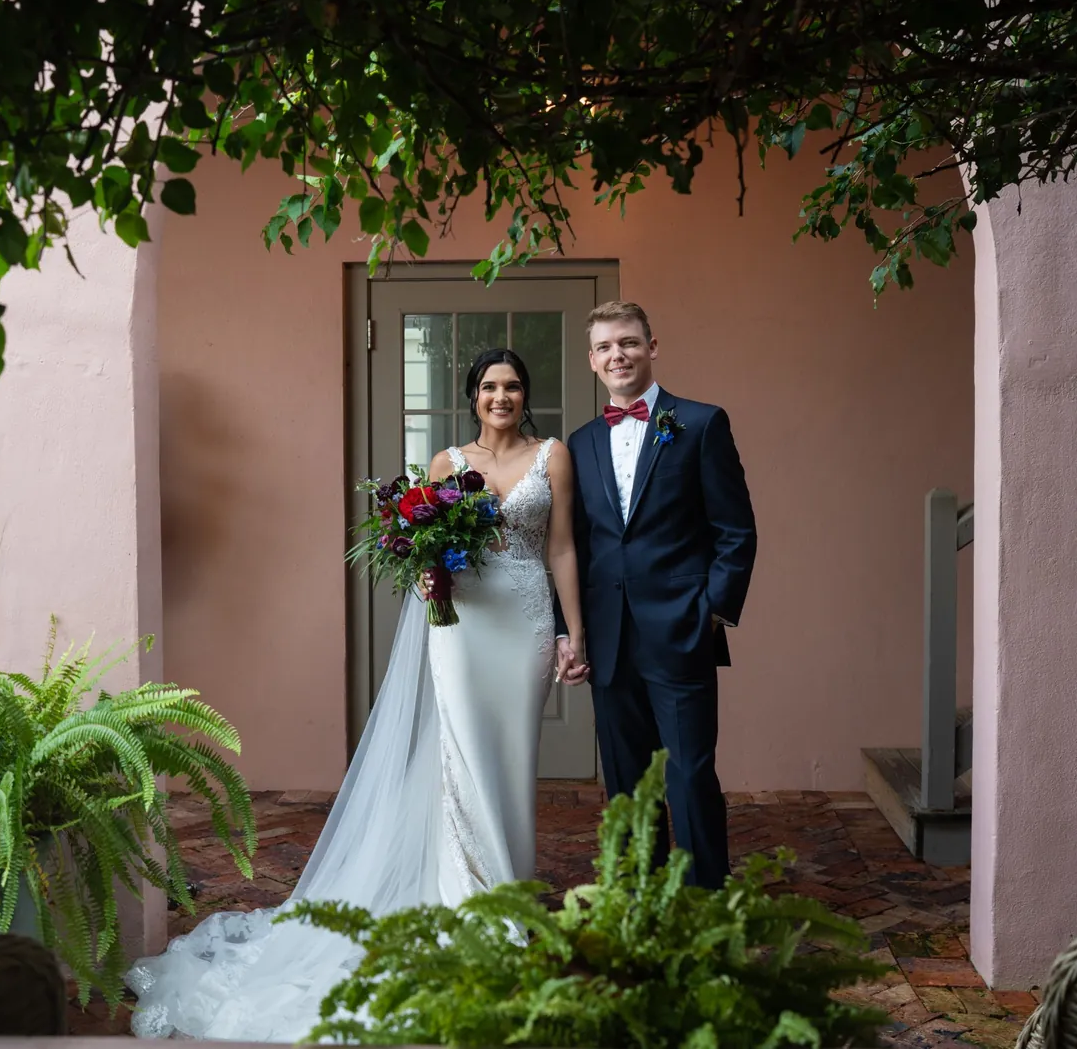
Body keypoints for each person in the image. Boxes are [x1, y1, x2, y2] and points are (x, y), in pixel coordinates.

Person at [123, 348, 584, 1041]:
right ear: (472, 395)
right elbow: (427, 551)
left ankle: (507, 894)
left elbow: (562, 549)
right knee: (461, 755)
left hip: (523, 621)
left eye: (513, 386)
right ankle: (471, 909)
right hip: (460, 626)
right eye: (489, 386)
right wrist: (429, 577)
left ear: (527, 394)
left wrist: (573, 632)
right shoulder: (447, 465)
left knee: (513, 761)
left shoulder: (553, 457)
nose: (501, 396)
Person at [555, 300, 757, 890]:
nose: (618, 355)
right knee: (625, 779)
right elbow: (575, 545)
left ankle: (701, 904)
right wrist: (574, 629)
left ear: (652, 347)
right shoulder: (581, 441)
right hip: (610, 637)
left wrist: (713, 612)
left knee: (690, 774)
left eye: (629, 343)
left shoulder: (700, 423)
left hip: (682, 630)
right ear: (592, 360)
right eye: (605, 347)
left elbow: (736, 530)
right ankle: (638, 896)